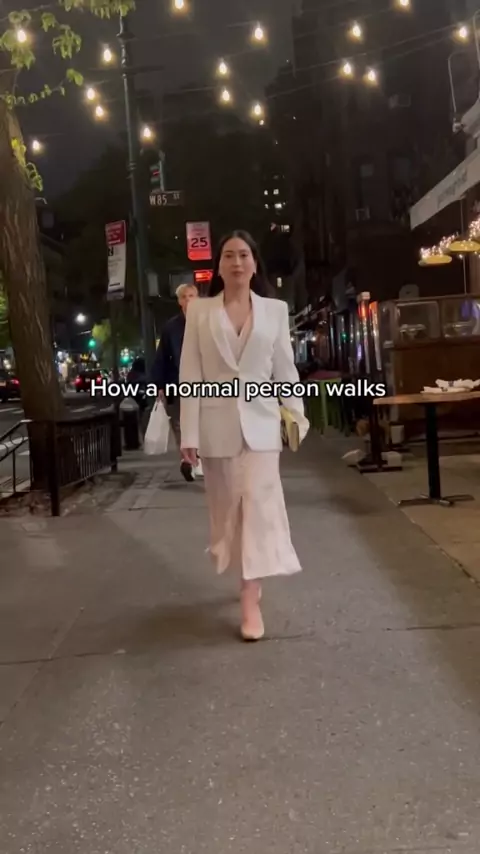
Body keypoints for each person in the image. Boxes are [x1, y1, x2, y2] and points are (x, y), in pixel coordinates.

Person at [179, 230, 309, 642]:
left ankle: (250, 597)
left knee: (257, 505)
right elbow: (190, 374)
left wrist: (297, 416)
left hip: (262, 426)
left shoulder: (275, 310)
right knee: (228, 511)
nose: (237, 262)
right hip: (216, 426)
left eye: (244, 255)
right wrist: (188, 433)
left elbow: (285, 370)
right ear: (218, 266)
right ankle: (246, 574)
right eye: (229, 256)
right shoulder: (200, 312)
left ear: (255, 263)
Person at [151, 283, 203, 481]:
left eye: (192, 295)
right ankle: (188, 460)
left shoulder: (206, 322)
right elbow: (162, 356)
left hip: (205, 381)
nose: (188, 300)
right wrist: (160, 384)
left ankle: (198, 458)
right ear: (179, 301)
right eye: (184, 296)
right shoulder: (171, 327)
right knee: (181, 423)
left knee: (202, 420)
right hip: (178, 382)